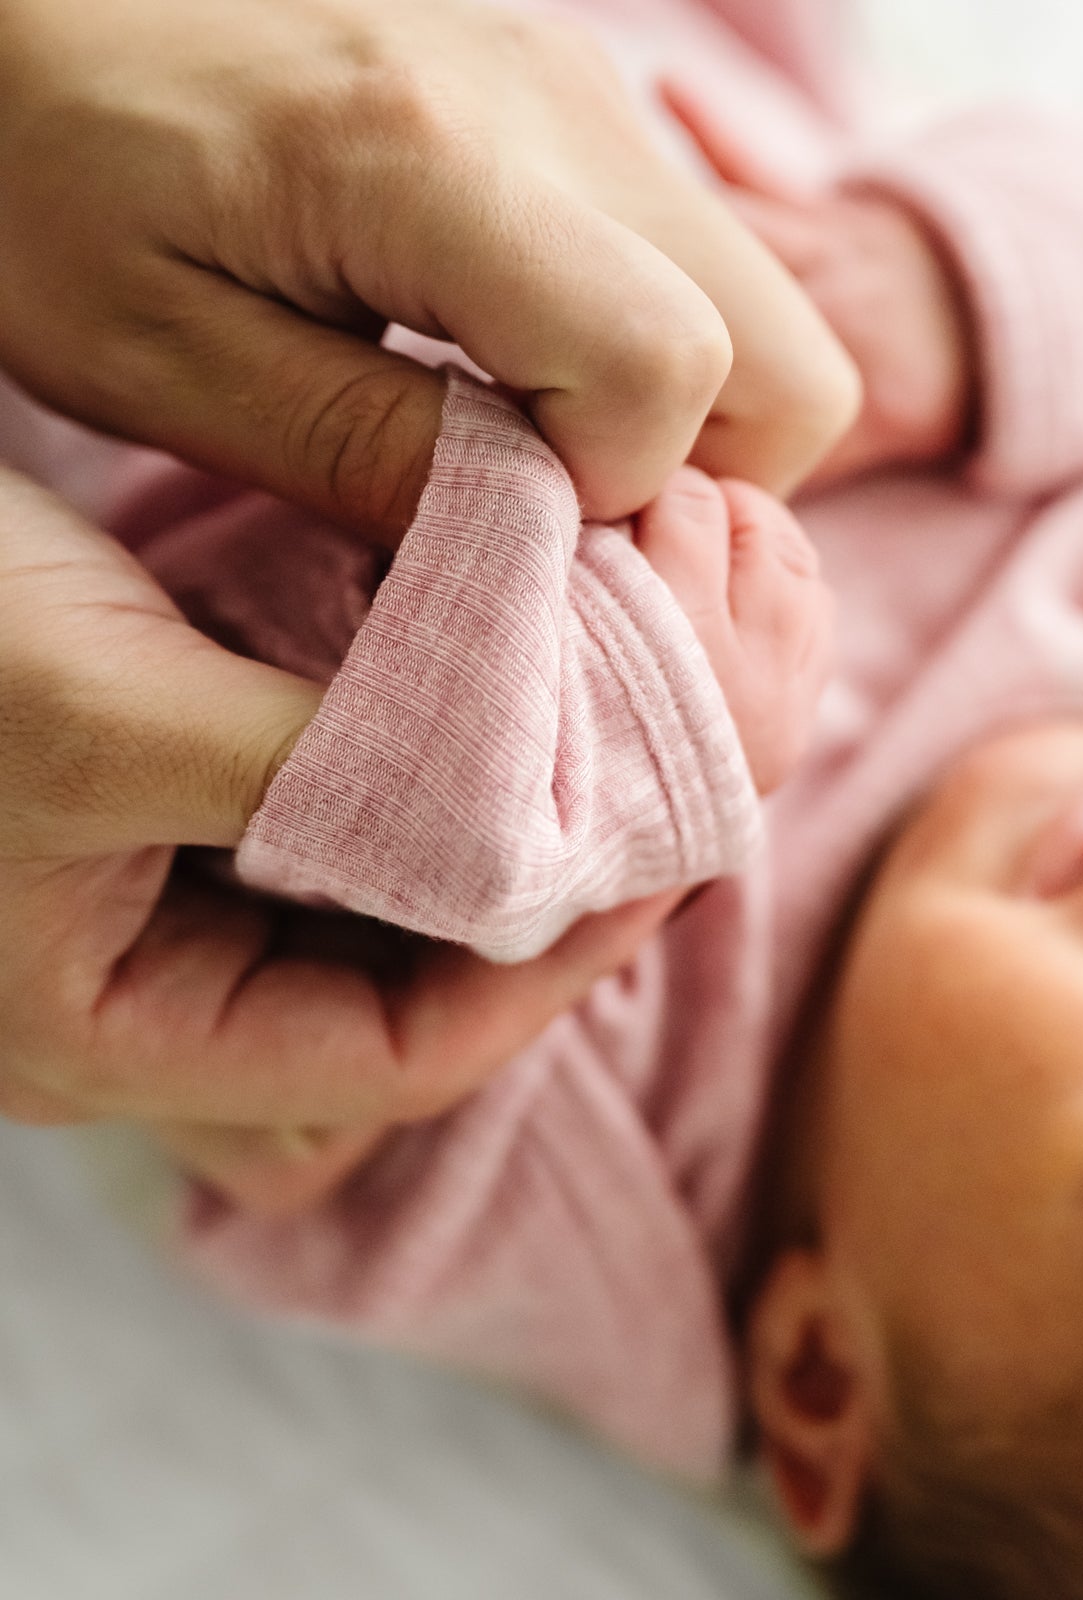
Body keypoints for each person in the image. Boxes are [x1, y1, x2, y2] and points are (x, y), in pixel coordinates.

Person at [16, 5, 1083, 1599]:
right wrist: (950, 298)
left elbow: (199, 760)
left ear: (825, 1374)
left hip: (137, 265)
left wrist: (629, 730)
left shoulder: (577, 1151)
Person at [0, 0, 859, 1133]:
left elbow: (321, 798)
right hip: (669, 159)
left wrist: (628, 720)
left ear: (813, 1312)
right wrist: (940, 275)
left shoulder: (657, 1127)